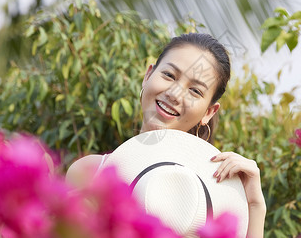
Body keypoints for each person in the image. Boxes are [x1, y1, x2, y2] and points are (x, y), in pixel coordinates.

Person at [66, 33, 266, 237]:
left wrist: (255, 206)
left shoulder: (217, 206)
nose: (175, 94)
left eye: (195, 91)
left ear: (208, 112)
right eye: (169, 75)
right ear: (148, 75)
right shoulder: (88, 173)